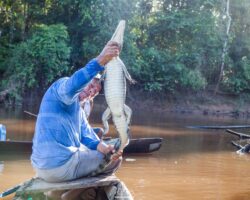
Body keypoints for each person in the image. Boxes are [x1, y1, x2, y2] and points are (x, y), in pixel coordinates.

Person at [31, 41, 122, 183]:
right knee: (117, 162)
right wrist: (101, 60)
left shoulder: (79, 111)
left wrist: (106, 149)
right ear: (85, 83)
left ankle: (70, 193)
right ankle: (83, 193)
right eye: (91, 85)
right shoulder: (62, 87)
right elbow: (73, 85)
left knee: (110, 155)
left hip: (40, 168)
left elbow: (89, 138)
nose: (91, 92)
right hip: (62, 166)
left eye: (95, 92)